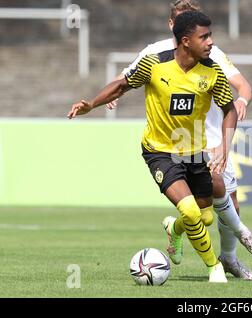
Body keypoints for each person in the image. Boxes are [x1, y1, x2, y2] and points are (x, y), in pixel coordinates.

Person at [106, 0, 252, 280]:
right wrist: (113, 96)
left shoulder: (213, 52)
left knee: (227, 200)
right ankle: (240, 239)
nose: (202, 36)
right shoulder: (154, 53)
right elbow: (124, 77)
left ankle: (227, 256)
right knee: (202, 208)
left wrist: (242, 99)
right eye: (184, 21)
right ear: (174, 26)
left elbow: (242, 85)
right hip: (177, 143)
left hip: (211, 137)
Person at [67, 11, 237, 283]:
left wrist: (225, 148)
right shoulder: (154, 65)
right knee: (192, 211)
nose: (210, 42)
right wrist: (92, 104)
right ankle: (213, 267)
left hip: (194, 153)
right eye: (203, 36)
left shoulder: (212, 71)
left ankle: (174, 228)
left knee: (203, 218)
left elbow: (230, 110)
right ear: (185, 41)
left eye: (210, 35)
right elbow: (122, 84)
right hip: (159, 152)